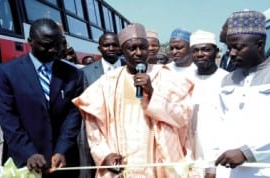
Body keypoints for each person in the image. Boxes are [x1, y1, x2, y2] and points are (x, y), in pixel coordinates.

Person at [73, 23, 197, 177]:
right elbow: (93, 124)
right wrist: (104, 154)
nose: (139, 53)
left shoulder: (168, 78)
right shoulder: (107, 82)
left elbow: (183, 118)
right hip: (122, 165)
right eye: (132, 48)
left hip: (158, 166)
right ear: (122, 51)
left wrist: (152, 93)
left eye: (143, 47)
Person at [0, 18, 83, 178]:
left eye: (58, 44)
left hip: (63, 163)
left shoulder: (72, 74)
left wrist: (61, 150)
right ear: (30, 42)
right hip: (25, 165)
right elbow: (8, 119)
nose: (54, 50)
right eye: (47, 45)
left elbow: (73, 116)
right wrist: (28, 153)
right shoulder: (5, 73)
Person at [212, 10, 270, 178]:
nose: (232, 53)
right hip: (232, 172)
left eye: (238, 47)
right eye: (229, 47)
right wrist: (212, 168)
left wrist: (247, 153)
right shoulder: (226, 81)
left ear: (260, 45)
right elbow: (217, 127)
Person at [78, 32, 123, 178]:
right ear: (99, 48)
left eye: (114, 45)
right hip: (98, 133)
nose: (111, 48)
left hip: (125, 132)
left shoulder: (130, 69)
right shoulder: (85, 73)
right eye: (106, 45)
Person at [189, 29, 228, 178]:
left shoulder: (228, 80)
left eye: (206, 50)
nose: (200, 54)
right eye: (195, 50)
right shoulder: (185, 80)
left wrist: (212, 168)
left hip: (219, 155)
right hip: (191, 153)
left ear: (216, 51)